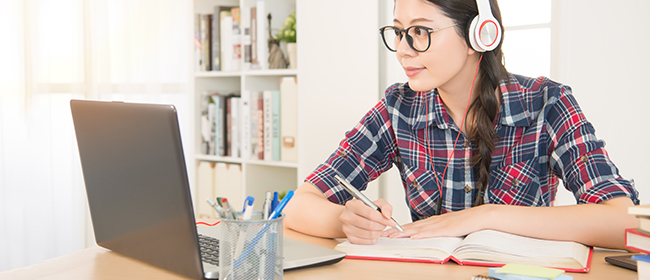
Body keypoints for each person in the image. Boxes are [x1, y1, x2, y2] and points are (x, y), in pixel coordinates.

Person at [283, 0, 639, 249]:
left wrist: (484, 217)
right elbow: (300, 206)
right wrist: (346, 220)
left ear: (478, 35)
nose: (404, 50)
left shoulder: (547, 102)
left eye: (420, 31)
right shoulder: (399, 107)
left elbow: (624, 221)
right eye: (398, 31)